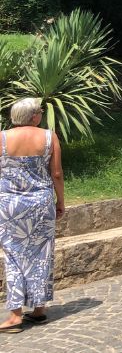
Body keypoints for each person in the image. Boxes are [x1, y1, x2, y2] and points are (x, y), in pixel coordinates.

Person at [0, 97, 64, 333]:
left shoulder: (2, 138)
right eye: (39, 112)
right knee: (42, 254)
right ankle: (39, 309)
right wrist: (61, 202)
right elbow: (56, 173)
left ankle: (15, 315)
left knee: (14, 255)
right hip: (41, 204)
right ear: (34, 116)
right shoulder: (49, 137)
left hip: (10, 206)